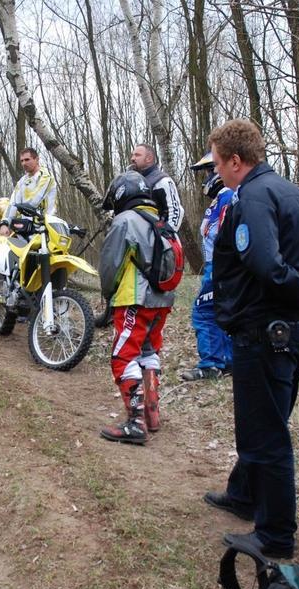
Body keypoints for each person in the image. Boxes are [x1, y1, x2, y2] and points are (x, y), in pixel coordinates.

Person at [203, 119, 299, 560]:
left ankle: (276, 535)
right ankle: (244, 495)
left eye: (219, 164)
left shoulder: (255, 197)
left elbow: (265, 261)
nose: (216, 173)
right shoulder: (292, 192)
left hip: (266, 333)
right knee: (267, 421)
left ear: (236, 161)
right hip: (292, 330)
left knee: (266, 434)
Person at [98, 171, 177, 445]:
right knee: (148, 351)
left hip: (135, 298)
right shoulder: (160, 221)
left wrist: (106, 294)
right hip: (163, 301)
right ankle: (152, 415)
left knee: (123, 357)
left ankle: (135, 422)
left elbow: (110, 265)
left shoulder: (125, 221)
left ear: (121, 194)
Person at [181, 152, 234, 380]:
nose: (205, 178)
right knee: (221, 312)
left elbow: (226, 233)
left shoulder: (228, 196)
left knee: (204, 312)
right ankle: (227, 361)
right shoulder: (222, 197)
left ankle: (212, 364)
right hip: (220, 265)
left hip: (222, 266)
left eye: (208, 171)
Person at [129, 143, 185, 233]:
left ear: (149, 158)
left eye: (137, 155)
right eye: (132, 155)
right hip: (140, 238)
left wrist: (167, 236)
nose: (132, 159)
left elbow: (176, 211)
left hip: (159, 239)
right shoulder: (133, 182)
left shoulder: (163, 180)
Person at [1, 147, 57, 234]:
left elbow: (33, 202)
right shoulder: (22, 181)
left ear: (37, 159)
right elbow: (13, 203)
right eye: (22, 161)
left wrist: (18, 210)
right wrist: (5, 223)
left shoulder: (46, 177)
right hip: (25, 227)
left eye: (27, 159)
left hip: (45, 228)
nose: (24, 163)